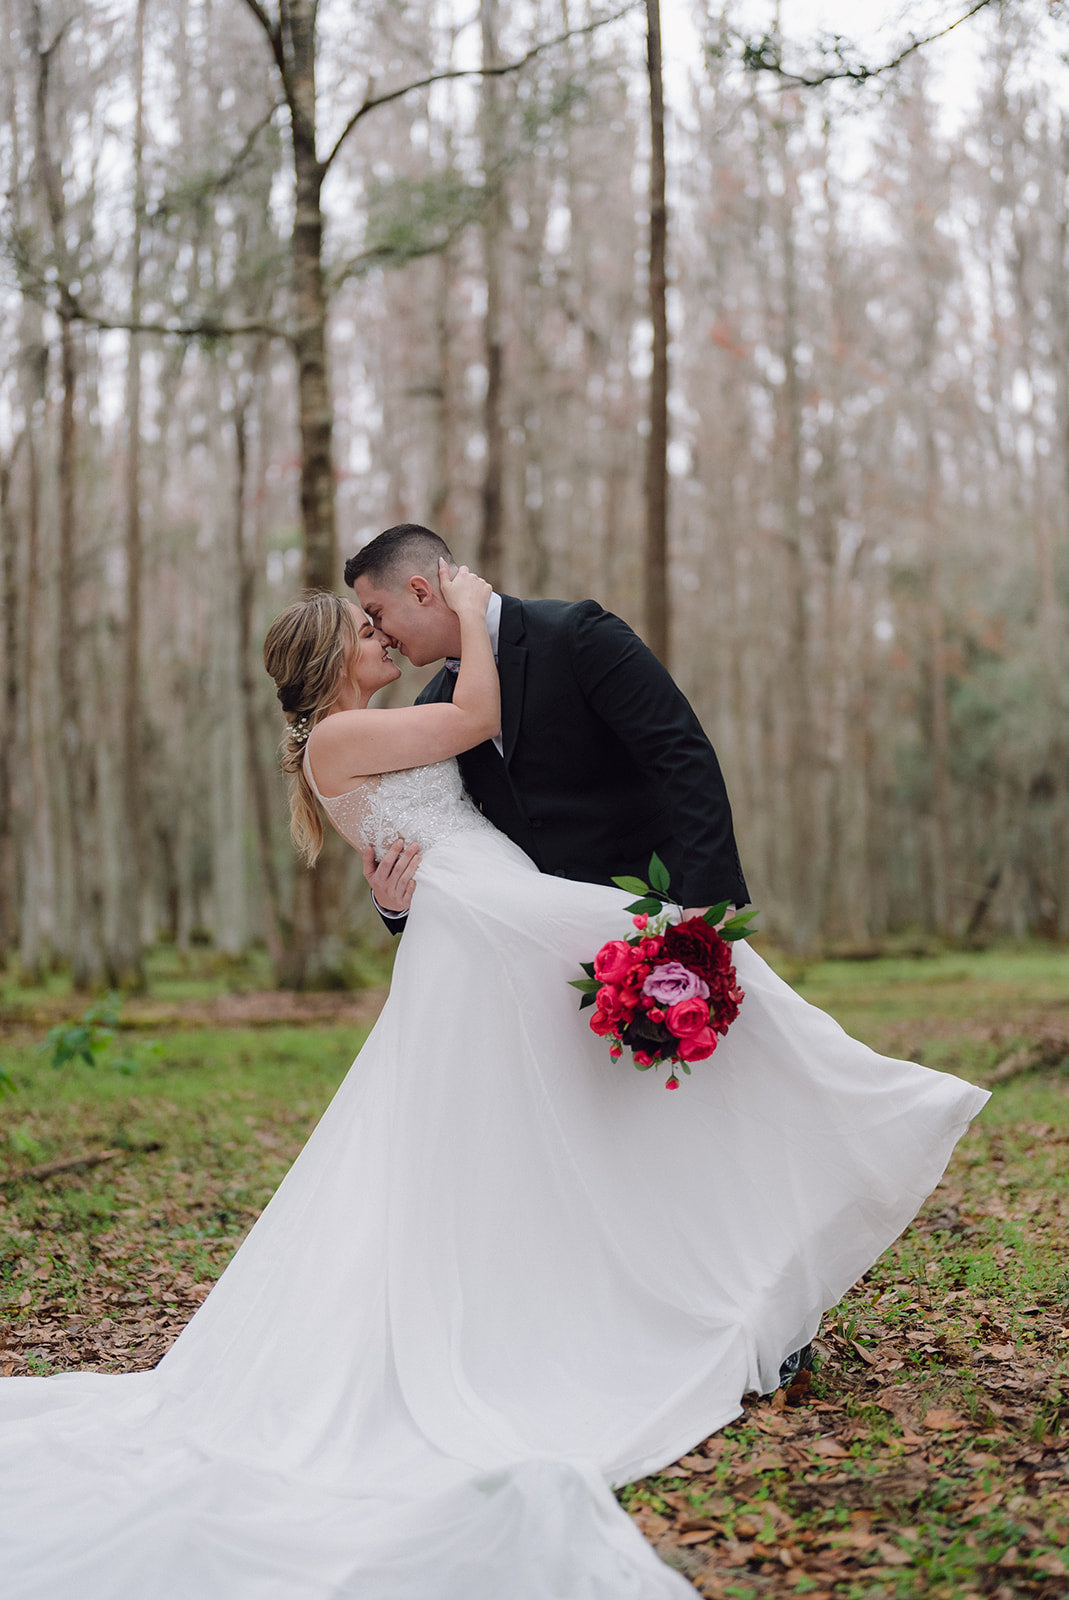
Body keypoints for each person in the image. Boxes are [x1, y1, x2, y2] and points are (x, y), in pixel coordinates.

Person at [0, 557, 989, 1600]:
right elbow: (477, 718)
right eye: (363, 629)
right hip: (485, 928)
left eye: (382, 617)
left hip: (487, 919)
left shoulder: (366, 729)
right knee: (673, 955)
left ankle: (785, 1185)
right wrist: (472, 609)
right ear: (332, 659)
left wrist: (400, 895)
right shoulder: (341, 736)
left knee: (606, 1047)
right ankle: (861, 1108)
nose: (380, 636)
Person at [343, 524, 748, 933]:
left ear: (419, 591)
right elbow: (449, 836)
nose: (381, 636)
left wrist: (709, 897)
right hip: (543, 941)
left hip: (661, 910)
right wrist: (393, 904)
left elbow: (682, 755)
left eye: (377, 614)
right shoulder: (433, 706)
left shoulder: (578, 635)